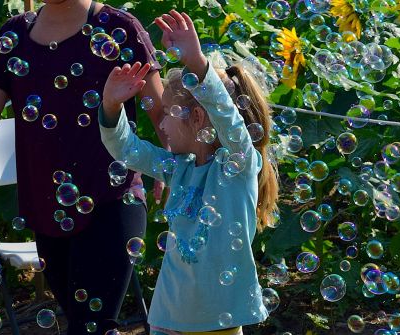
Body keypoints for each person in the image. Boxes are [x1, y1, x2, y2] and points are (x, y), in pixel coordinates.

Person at [0, 1, 167, 333]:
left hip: (112, 198)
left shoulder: (118, 26)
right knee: (83, 322)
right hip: (46, 207)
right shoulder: (15, 34)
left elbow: (160, 112)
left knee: (89, 325)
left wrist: (175, 167)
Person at [99, 9, 279, 334]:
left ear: (196, 118)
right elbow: (127, 149)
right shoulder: (177, 168)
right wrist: (111, 107)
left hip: (219, 320)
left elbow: (228, 119)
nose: (162, 124)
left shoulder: (236, 167)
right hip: (169, 317)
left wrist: (197, 63)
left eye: (169, 113)